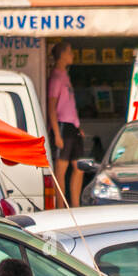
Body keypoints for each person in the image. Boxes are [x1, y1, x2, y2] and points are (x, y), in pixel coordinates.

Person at [47, 41, 84, 207]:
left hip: (72, 126)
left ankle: (75, 205)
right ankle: (61, 206)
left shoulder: (65, 76)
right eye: (70, 52)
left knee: (79, 166)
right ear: (62, 55)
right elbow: (52, 107)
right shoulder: (56, 78)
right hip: (62, 126)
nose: (72, 55)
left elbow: (69, 105)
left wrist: (78, 126)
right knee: (60, 170)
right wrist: (56, 133)